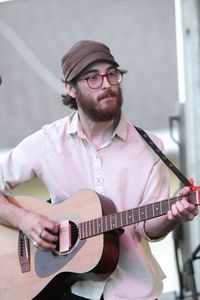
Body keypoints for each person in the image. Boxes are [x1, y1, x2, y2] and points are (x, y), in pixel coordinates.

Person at [0, 40, 198, 300]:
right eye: (93, 78)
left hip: (133, 291)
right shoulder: (47, 142)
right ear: (71, 88)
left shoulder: (151, 147)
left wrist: (174, 215)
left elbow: (148, 229)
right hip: (68, 289)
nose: (106, 84)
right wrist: (26, 221)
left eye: (112, 75)